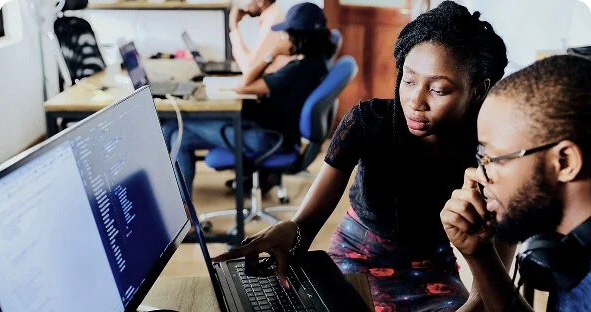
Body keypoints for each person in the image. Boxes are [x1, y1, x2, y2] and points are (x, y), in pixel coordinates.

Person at [213, 1, 510, 311]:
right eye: (408, 81)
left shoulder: (493, 153)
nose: (415, 101)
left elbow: (488, 289)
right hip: (356, 257)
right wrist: (290, 231)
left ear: (477, 90)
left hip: (433, 270)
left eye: (438, 89)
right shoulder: (369, 122)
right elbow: (306, 224)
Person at [441, 55, 591, 311]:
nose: (478, 174)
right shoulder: (568, 249)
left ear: (564, 162)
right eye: (481, 157)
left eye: (493, 158)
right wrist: (480, 255)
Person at [164, 2, 335, 194]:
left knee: (177, 132)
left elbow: (244, 85)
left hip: (267, 139)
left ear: (298, 37)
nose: (282, 37)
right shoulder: (315, 63)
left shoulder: (296, 71)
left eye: (285, 33)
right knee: (174, 130)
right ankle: (182, 208)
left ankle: (183, 211)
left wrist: (272, 53)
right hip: (273, 132)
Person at [229, 0, 292, 75]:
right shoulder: (272, 16)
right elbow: (253, 61)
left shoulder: (272, 21)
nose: (244, 6)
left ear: (260, 1)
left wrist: (234, 27)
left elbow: (249, 69)